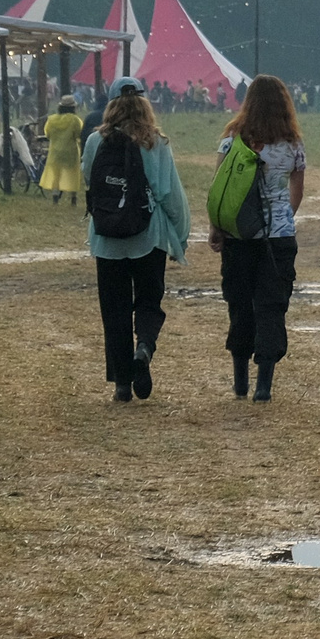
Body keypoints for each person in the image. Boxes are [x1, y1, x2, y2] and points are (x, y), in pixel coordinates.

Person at [83, 77, 191, 405]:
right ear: (145, 102)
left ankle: (121, 384)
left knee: (113, 308)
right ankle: (143, 347)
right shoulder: (156, 142)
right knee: (148, 299)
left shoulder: (94, 141)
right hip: (149, 234)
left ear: (111, 104)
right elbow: (171, 193)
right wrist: (180, 237)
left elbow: (90, 180)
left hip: (107, 238)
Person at [217, 75, 305, 401]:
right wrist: (283, 218)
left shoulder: (231, 140)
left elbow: (220, 191)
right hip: (279, 237)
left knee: (240, 303)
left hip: (239, 234)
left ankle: (240, 378)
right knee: (272, 306)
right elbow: (297, 191)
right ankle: (264, 385)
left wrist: (218, 229)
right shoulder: (293, 145)